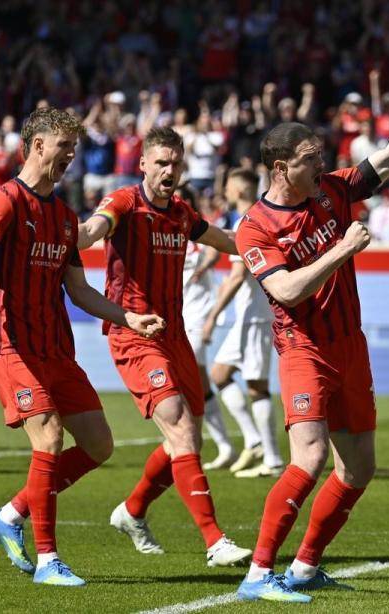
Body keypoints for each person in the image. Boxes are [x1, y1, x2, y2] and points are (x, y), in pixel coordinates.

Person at [233, 64, 389, 603]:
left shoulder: (333, 191)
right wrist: (342, 250)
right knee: (309, 458)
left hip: (350, 348)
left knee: (359, 466)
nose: (321, 164)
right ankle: (258, 574)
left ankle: (305, 566)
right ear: (280, 168)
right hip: (304, 351)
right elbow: (286, 290)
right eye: (309, 158)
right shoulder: (255, 227)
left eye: (320, 155)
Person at [0, 106, 164, 587]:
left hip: (54, 349)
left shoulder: (66, 218)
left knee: (98, 444)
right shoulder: (5, 202)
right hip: (11, 345)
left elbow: (80, 291)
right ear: (37, 146)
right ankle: (49, 561)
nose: (71, 155)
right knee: (49, 437)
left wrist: (129, 318)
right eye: (63, 146)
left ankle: (10, 515)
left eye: (74, 147)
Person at [77, 127, 253, 568]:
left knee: (185, 440)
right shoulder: (123, 203)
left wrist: (274, 247)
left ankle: (132, 511)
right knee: (179, 427)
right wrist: (70, 234)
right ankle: (215, 541)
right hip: (135, 333)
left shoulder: (181, 213)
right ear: (143, 164)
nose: (168, 170)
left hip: (175, 336)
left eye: (175, 163)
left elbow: (224, 240)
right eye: (160, 162)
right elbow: (94, 228)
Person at [202, 168, 283, 478]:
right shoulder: (264, 217)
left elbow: (238, 276)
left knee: (256, 387)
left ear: (235, 190)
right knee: (219, 374)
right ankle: (254, 441)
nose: (224, 191)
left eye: (227, 186)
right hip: (251, 316)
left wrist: (212, 316)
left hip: (256, 317)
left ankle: (272, 459)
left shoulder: (246, 223)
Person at [179, 190, 236, 472]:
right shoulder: (166, 234)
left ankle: (205, 443)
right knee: (197, 382)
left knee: (193, 375)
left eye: (182, 199)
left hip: (200, 314)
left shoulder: (199, 231)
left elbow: (214, 250)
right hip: (177, 316)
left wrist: (204, 265)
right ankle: (227, 445)